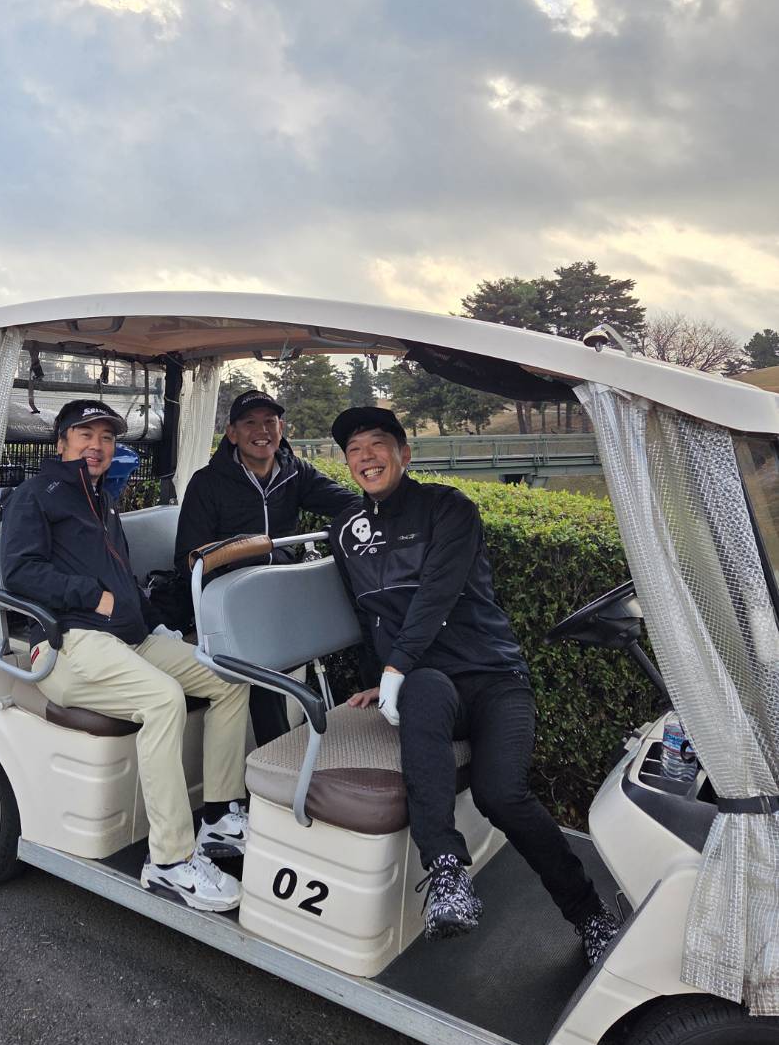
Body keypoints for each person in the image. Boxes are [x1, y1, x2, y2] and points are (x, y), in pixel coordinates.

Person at [327, 405, 621, 967]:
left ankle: (590, 916)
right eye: (354, 450)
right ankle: (446, 873)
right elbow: (370, 616)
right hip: (428, 683)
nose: (366, 457)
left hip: (493, 678)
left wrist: (394, 669)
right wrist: (376, 679)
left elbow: (436, 594)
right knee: (423, 692)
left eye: (377, 444)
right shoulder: (345, 531)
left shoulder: (449, 508)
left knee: (501, 794)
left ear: (404, 453)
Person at [1, 398, 251, 913]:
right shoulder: (38, 495)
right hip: (70, 643)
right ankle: (169, 862)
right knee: (163, 700)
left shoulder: (102, 500)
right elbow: (19, 572)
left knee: (228, 679)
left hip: (127, 639)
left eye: (107, 438)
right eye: (85, 435)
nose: (97, 446)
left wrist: (155, 620)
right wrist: (90, 595)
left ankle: (219, 816)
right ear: (62, 442)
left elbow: (124, 580)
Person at [175, 387, 358, 742]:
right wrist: (229, 600)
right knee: (262, 656)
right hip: (233, 598)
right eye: (249, 423)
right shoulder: (207, 484)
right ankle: (275, 752)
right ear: (232, 433)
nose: (261, 431)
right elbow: (189, 558)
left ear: (281, 428)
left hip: (283, 592)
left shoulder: (295, 473)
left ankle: (350, 730)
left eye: (269, 422)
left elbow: (349, 505)